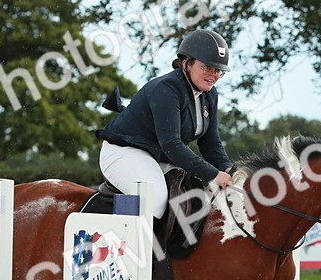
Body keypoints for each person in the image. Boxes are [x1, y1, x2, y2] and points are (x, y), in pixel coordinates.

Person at [97, 29, 234, 219]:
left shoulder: (210, 95)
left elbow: (210, 143)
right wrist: (213, 174)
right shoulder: (167, 89)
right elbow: (172, 144)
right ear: (186, 63)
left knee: (198, 195)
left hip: (159, 157)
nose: (214, 75)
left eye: (218, 70)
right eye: (207, 67)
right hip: (124, 151)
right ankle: (127, 247)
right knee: (155, 198)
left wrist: (230, 170)